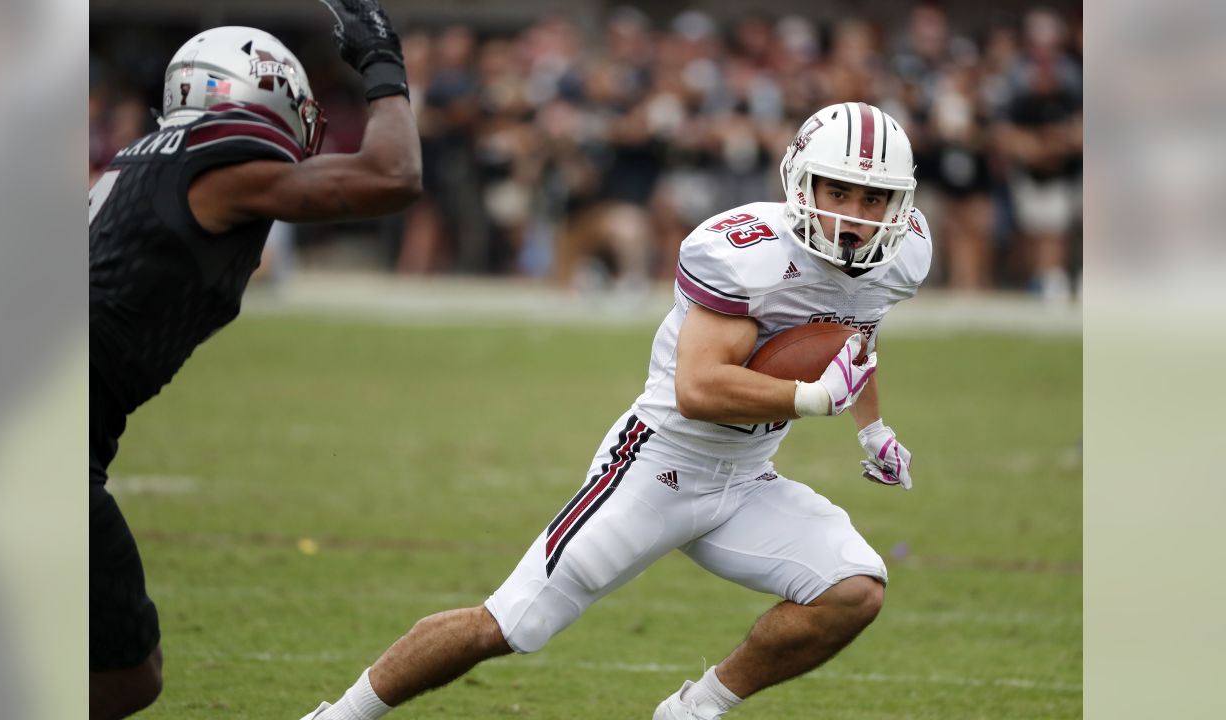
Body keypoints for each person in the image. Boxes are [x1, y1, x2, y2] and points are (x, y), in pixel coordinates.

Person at [299, 101, 931, 720]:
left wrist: (871, 428)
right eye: (839, 192)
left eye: (873, 199)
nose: (854, 217)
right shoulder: (746, 253)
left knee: (854, 589)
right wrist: (818, 399)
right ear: (801, 181)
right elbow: (700, 388)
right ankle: (338, 716)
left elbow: (852, 330)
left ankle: (695, 709)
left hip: (746, 480)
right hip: (656, 466)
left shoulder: (901, 257)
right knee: (507, 624)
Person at [89, 2, 421, 717]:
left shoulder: (140, 158)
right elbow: (392, 175)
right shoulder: (221, 156)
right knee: (124, 675)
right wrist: (384, 66)